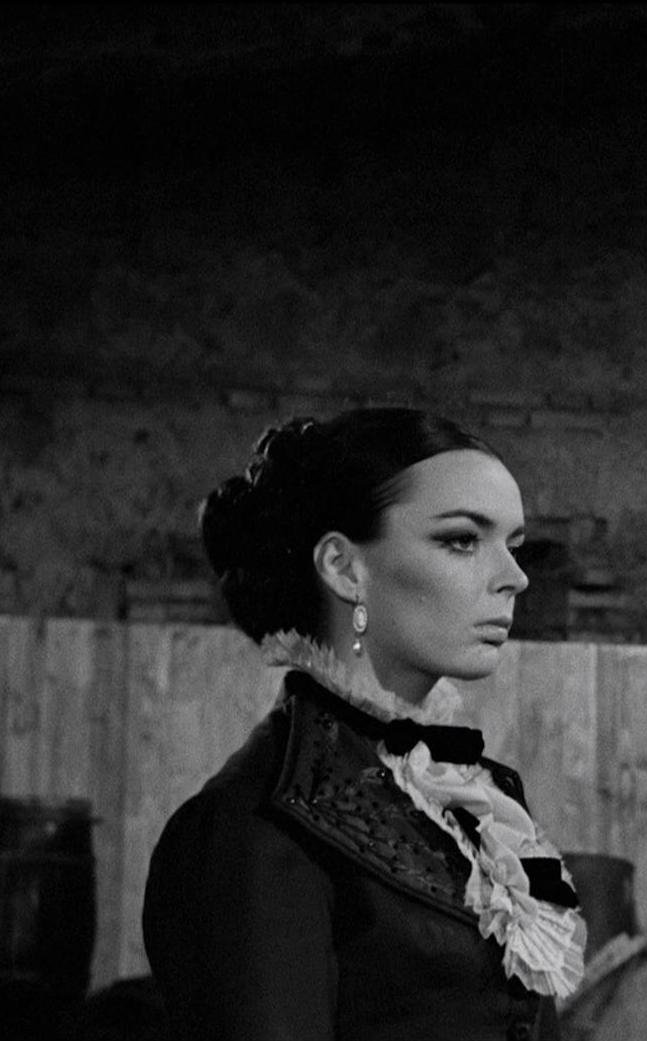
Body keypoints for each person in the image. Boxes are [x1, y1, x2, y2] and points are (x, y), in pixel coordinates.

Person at [142, 408, 587, 1041]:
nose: (515, 577)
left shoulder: (472, 805)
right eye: (462, 540)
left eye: (512, 546)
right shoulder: (256, 831)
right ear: (345, 568)